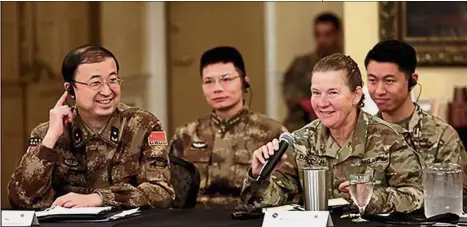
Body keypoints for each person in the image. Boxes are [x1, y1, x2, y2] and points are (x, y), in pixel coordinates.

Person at [241, 53, 424, 214]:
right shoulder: (301, 141)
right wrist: (259, 176)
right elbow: (268, 202)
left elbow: (416, 194)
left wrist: (369, 198)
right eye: (316, 93)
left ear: (356, 95)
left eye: (333, 93)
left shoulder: (390, 138)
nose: (322, 103)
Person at [8, 45, 175, 209]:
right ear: (70, 89)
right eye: (95, 83)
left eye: (113, 80)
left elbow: (161, 192)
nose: (107, 91)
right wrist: (51, 138)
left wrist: (99, 198)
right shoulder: (47, 133)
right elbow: (20, 199)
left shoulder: (143, 125)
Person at [169, 46, 287, 209]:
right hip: (196, 218)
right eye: (208, 81)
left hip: (247, 216)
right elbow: (172, 191)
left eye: (226, 79)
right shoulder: (186, 134)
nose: (217, 88)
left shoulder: (272, 132)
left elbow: (288, 192)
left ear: (245, 81)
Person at [365, 40, 467, 192]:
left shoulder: (441, 137)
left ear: (412, 81)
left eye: (389, 81)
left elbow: (458, 197)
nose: (379, 90)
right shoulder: (363, 132)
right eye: (372, 80)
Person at [282, 13, 343, 132]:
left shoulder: (346, 65)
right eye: (318, 35)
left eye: (327, 35)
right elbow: (290, 94)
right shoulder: (301, 64)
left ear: (338, 35)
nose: (322, 40)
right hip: (302, 124)